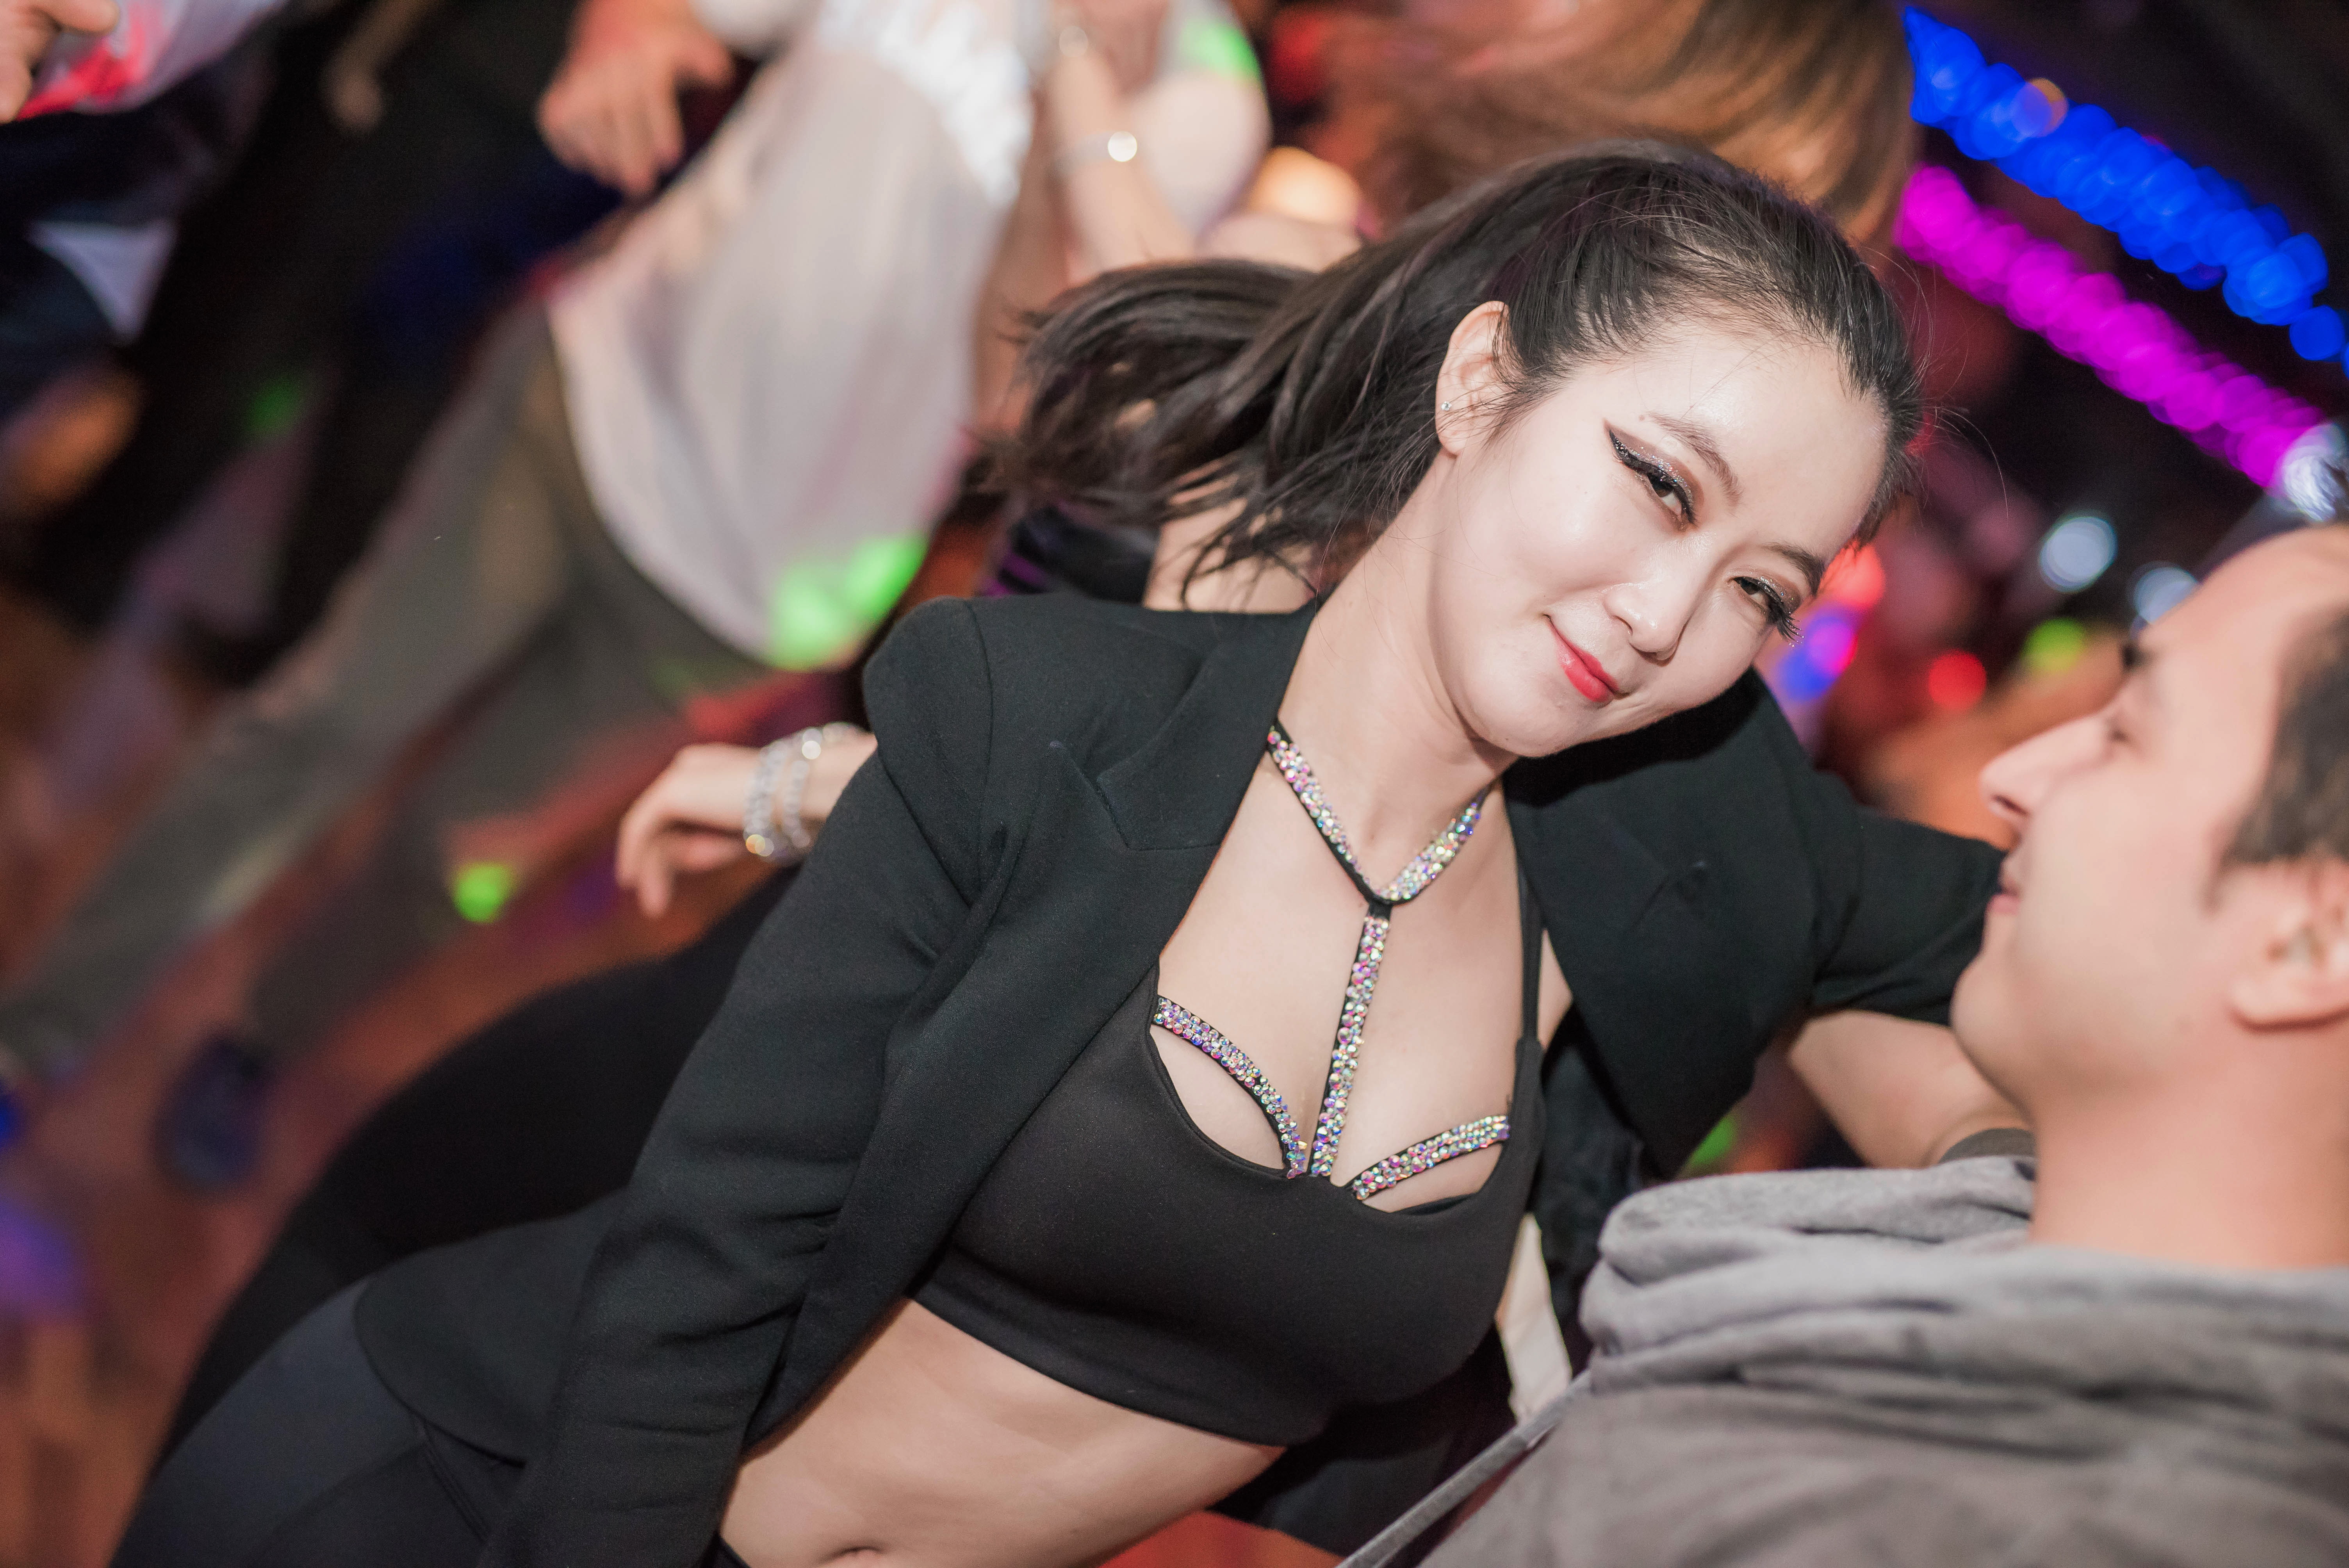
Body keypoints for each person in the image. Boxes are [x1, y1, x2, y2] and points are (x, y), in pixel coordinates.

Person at [114, 147, 2012, 1568]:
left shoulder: (1655, 853)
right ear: (1478, 383)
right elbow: (689, 1294)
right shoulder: (1030, 705)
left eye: (1762, 589)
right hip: (484, 1503)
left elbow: (2066, 962)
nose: (1670, 609)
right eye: (1657, 482)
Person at [0, 0, 1266, 1187]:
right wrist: (620, 28)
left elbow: (1016, 400)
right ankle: (33, 1040)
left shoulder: (1203, 107)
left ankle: (263, 1043)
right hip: (590, 400)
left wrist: (1075, 85)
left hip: (748, 590)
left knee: (453, 858)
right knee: (312, 726)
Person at [1353, 523, 2349, 1568]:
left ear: (2311, 940)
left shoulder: (2030, 1521)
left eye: (2127, 734)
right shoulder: (2024, 1270)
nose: (2015, 775)